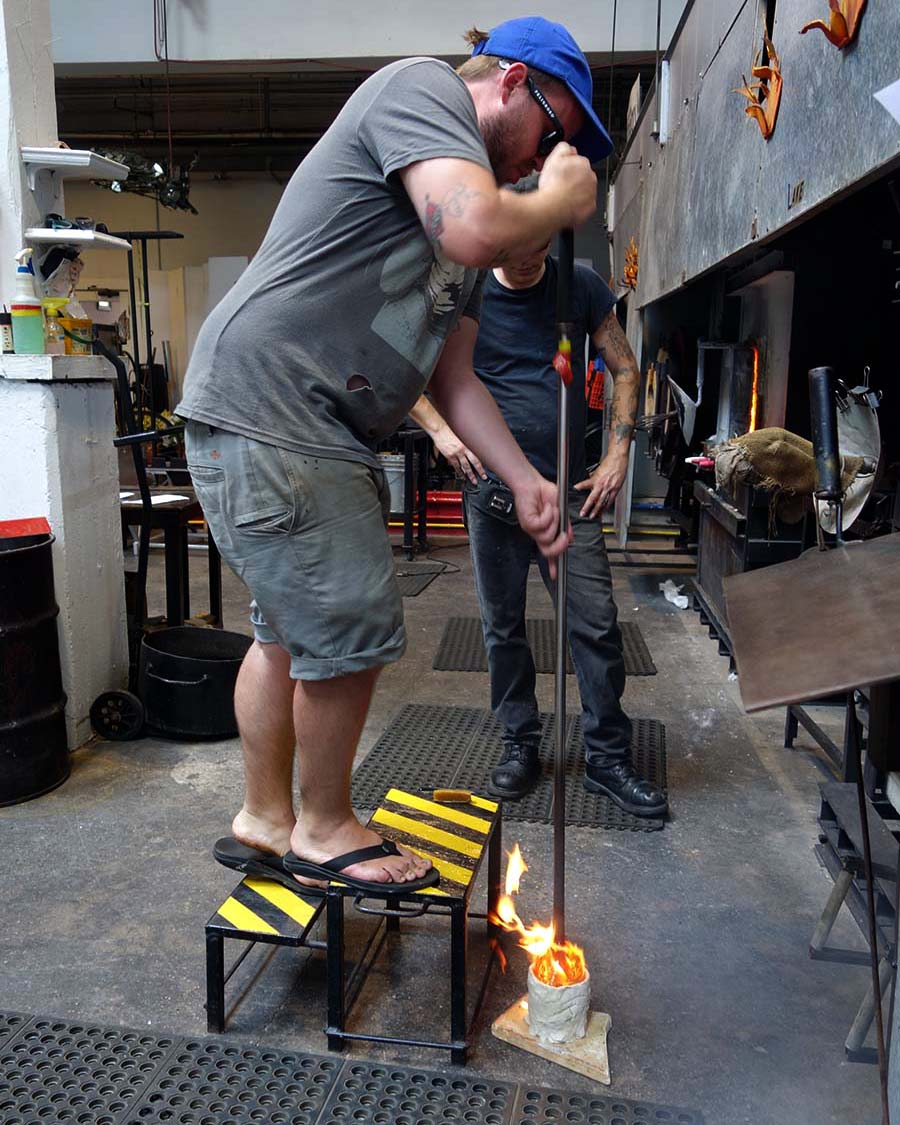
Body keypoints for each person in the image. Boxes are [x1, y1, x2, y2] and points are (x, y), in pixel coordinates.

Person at [175, 17, 612, 894]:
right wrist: (565, 200)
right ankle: (326, 827)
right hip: (282, 410)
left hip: (279, 414)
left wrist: (526, 480)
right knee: (352, 624)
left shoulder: (445, 229)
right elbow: (477, 230)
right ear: (514, 84)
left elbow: (453, 380)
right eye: (553, 135)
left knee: (288, 633)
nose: (542, 161)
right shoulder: (424, 90)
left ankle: (266, 818)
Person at [435, 234, 669, 816]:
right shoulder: (468, 293)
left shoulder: (579, 286)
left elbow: (624, 367)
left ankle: (607, 757)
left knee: (595, 624)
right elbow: (410, 367)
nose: (529, 258)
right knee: (502, 629)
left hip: (568, 492)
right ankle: (520, 745)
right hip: (492, 496)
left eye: (539, 244)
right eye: (516, 247)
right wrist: (440, 431)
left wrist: (617, 455)